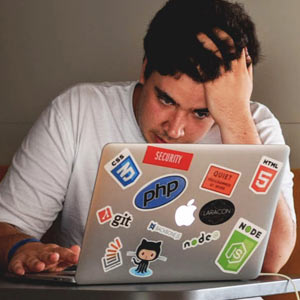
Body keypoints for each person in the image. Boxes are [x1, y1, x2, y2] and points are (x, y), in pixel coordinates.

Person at [0, 0, 296, 289]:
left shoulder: (253, 125)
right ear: (144, 69)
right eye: (166, 99)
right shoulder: (78, 111)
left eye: (202, 112)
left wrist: (235, 118)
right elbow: (7, 226)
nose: (175, 130)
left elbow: (272, 261)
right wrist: (21, 248)